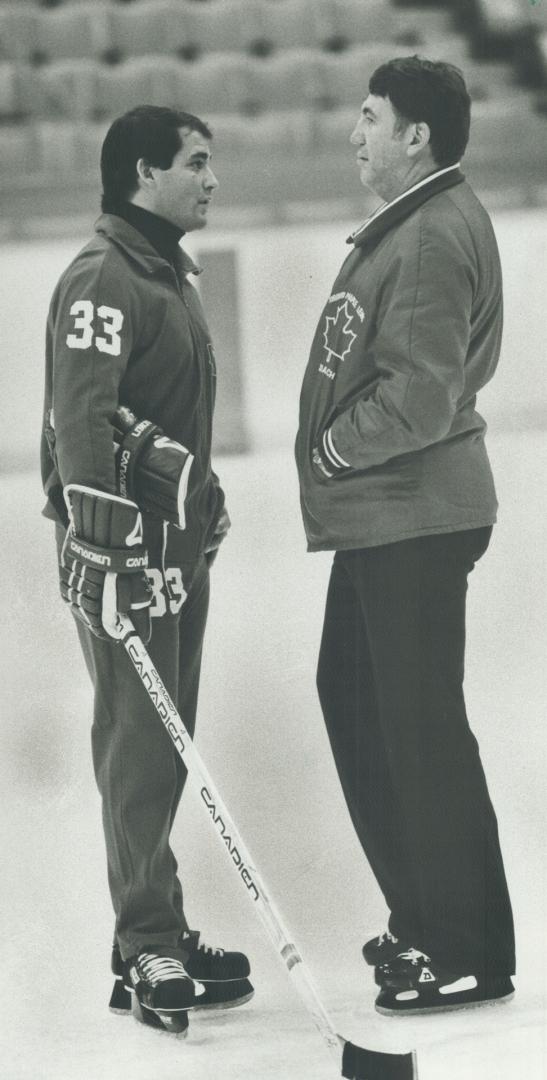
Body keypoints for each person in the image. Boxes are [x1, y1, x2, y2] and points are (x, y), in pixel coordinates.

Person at [295, 57, 515, 1015]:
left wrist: (333, 450)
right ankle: (429, 922)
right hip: (393, 517)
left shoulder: (426, 236)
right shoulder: (419, 222)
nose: (355, 131)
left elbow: (418, 398)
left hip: (411, 513)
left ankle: (461, 946)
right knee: (363, 708)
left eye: (369, 115)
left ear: (414, 135)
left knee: (414, 732)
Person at [41, 105, 252, 1035]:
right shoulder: (103, 277)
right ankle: (144, 940)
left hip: (173, 552)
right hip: (122, 556)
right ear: (141, 173)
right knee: (136, 738)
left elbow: (166, 421)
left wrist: (201, 512)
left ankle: (156, 928)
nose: (211, 179)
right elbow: (81, 425)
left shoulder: (168, 272)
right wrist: (102, 549)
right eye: (195, 163)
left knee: (166, 737)